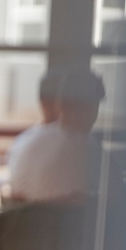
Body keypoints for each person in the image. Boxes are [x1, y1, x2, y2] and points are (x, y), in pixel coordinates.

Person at [7, 66, 106, 203]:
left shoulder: (22, 141)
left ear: (59, 103)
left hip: (23, 223)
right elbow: (117, 195)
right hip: (61, 223)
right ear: (92, 108)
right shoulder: (86, 147)